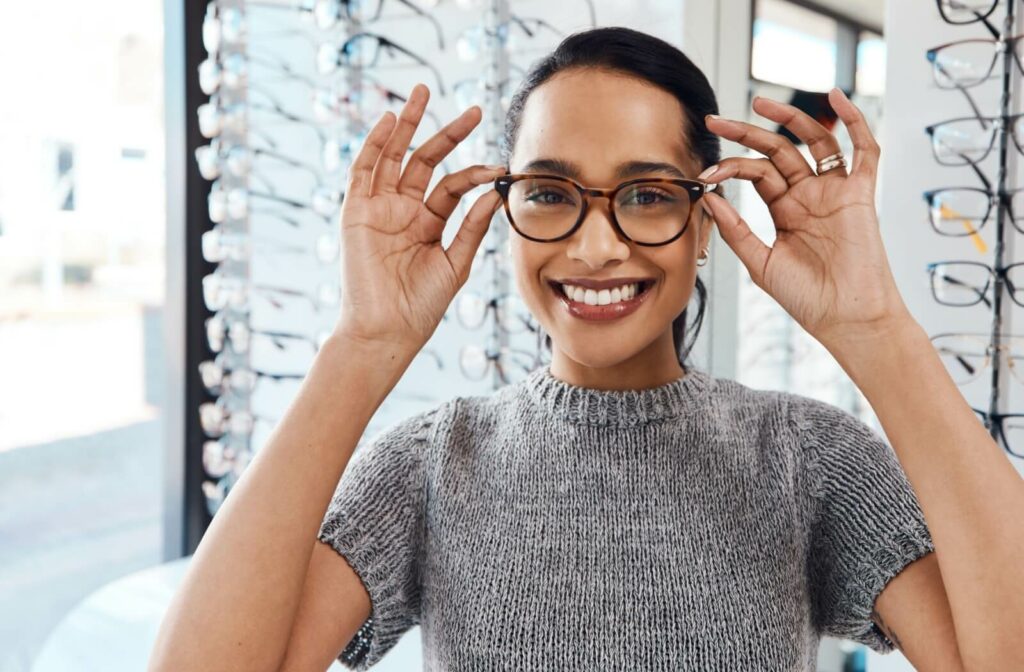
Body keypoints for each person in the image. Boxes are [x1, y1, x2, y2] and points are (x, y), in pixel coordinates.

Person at [149, 27, 1024, 672]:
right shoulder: (434, 461)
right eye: (550, 191)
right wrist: (360, 347)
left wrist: (878, 333)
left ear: (706, 220)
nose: (597, 246)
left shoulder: (808, 458)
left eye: (645, 195)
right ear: (505, 212)